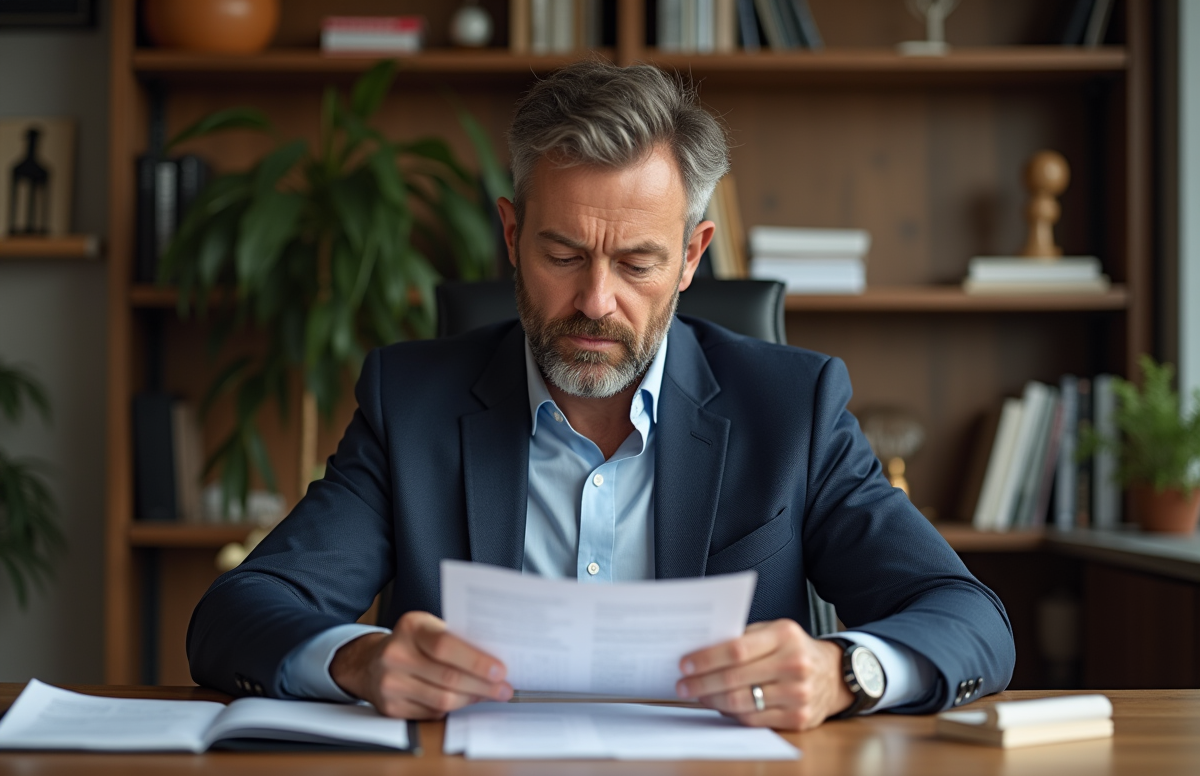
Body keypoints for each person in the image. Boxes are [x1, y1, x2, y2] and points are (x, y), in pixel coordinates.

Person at [188, 61, 1014, 731]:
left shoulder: (790, 408)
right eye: (562, 253)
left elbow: (966, 617)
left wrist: (849, 670)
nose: (594, 301)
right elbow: (238, 613)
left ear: (693, 258)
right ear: (511, 237)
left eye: (637, 264)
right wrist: (356, 660)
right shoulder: (414, 404)